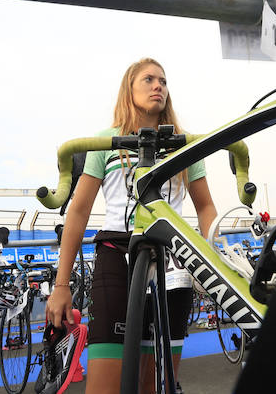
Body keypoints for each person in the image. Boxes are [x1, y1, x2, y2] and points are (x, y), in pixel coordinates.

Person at [45, 57, 217, 394]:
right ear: (130, 88)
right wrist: (61, 284)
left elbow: (206, 207)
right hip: (116, 255)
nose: (158, 86)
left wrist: (212, 260)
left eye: (164, 82)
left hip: (172, 258)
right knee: (105, 386)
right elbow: (78, 212)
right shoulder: (103, 142)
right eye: (149, 79)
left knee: (155, 385)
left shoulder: (185, 144)